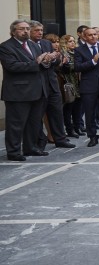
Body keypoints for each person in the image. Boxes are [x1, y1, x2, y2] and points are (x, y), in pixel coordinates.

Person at [0, 20, 50, 161]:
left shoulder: (33, 45)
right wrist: (36, 63)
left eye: (27, 28)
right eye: (21, 29)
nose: (26, 31)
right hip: (18, 92)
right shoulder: (6, 47)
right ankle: (14, 152)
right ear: (13, 31)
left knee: (33, 123)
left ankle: (30, 148)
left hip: (37, 90)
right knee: (16, 124)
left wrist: (47, 61)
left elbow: (40, 65)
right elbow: (12, 66)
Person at [30, 21, 74, 150]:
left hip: (52, 83)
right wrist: (45, 60)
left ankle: (60, 139)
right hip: (37, 85)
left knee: (56, 112)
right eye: (36, 30)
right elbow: (33, 63)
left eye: (41, 30)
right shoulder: (28, 45)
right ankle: (39, 141)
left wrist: (55, 58)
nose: (40, 32)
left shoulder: (46, 43)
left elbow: (56, 62)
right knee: (37, 115)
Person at [57, 35, 82, 138]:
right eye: (70, 41)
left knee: (77, 108)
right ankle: (70, 130)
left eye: (73, 41)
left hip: (78, 83)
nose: (73, 43)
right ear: (64, 43)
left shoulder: (77, 53)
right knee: (68, 108)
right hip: (68, 83)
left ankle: (77, 127)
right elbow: (65, 69)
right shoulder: (63, 54)